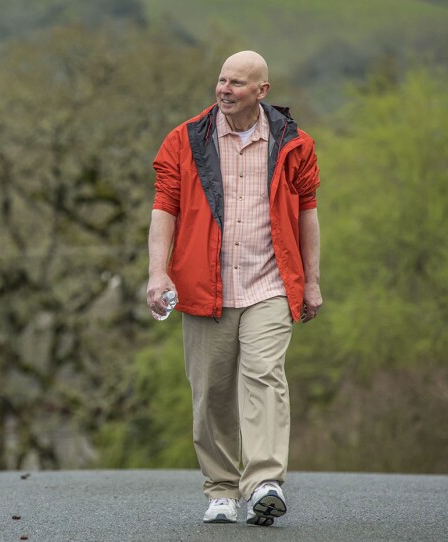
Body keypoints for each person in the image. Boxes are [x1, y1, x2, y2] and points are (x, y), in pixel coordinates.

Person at [146, 50, 322, 527]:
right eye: (222, 80)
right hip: (206, 288)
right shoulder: (186, 140)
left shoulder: (292, 143)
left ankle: (264, 481)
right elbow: (165, 207)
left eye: (237, 83)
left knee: (265, 375)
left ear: (261, 91)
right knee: (211, 392)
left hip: (268, 284)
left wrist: (312, 281)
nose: (225, 89)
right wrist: (157, 272)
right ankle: (222, 488)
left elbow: (307, 211)